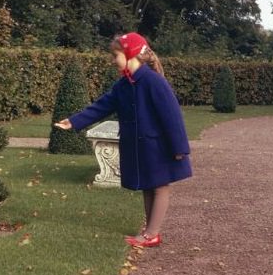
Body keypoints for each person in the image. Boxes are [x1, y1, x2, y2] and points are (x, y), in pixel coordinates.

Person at [54, 32, 192, 248]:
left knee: (159, 187)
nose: (113, 60)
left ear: (131, 55)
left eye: (116, 55)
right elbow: (101, 107)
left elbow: (172, 116)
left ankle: (151, 235)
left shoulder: (154, 82)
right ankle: (149, 232)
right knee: (148, 186)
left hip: (158, 147)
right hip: (141, 147)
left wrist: (179, 148)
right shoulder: (123, 85)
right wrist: (74, 121)